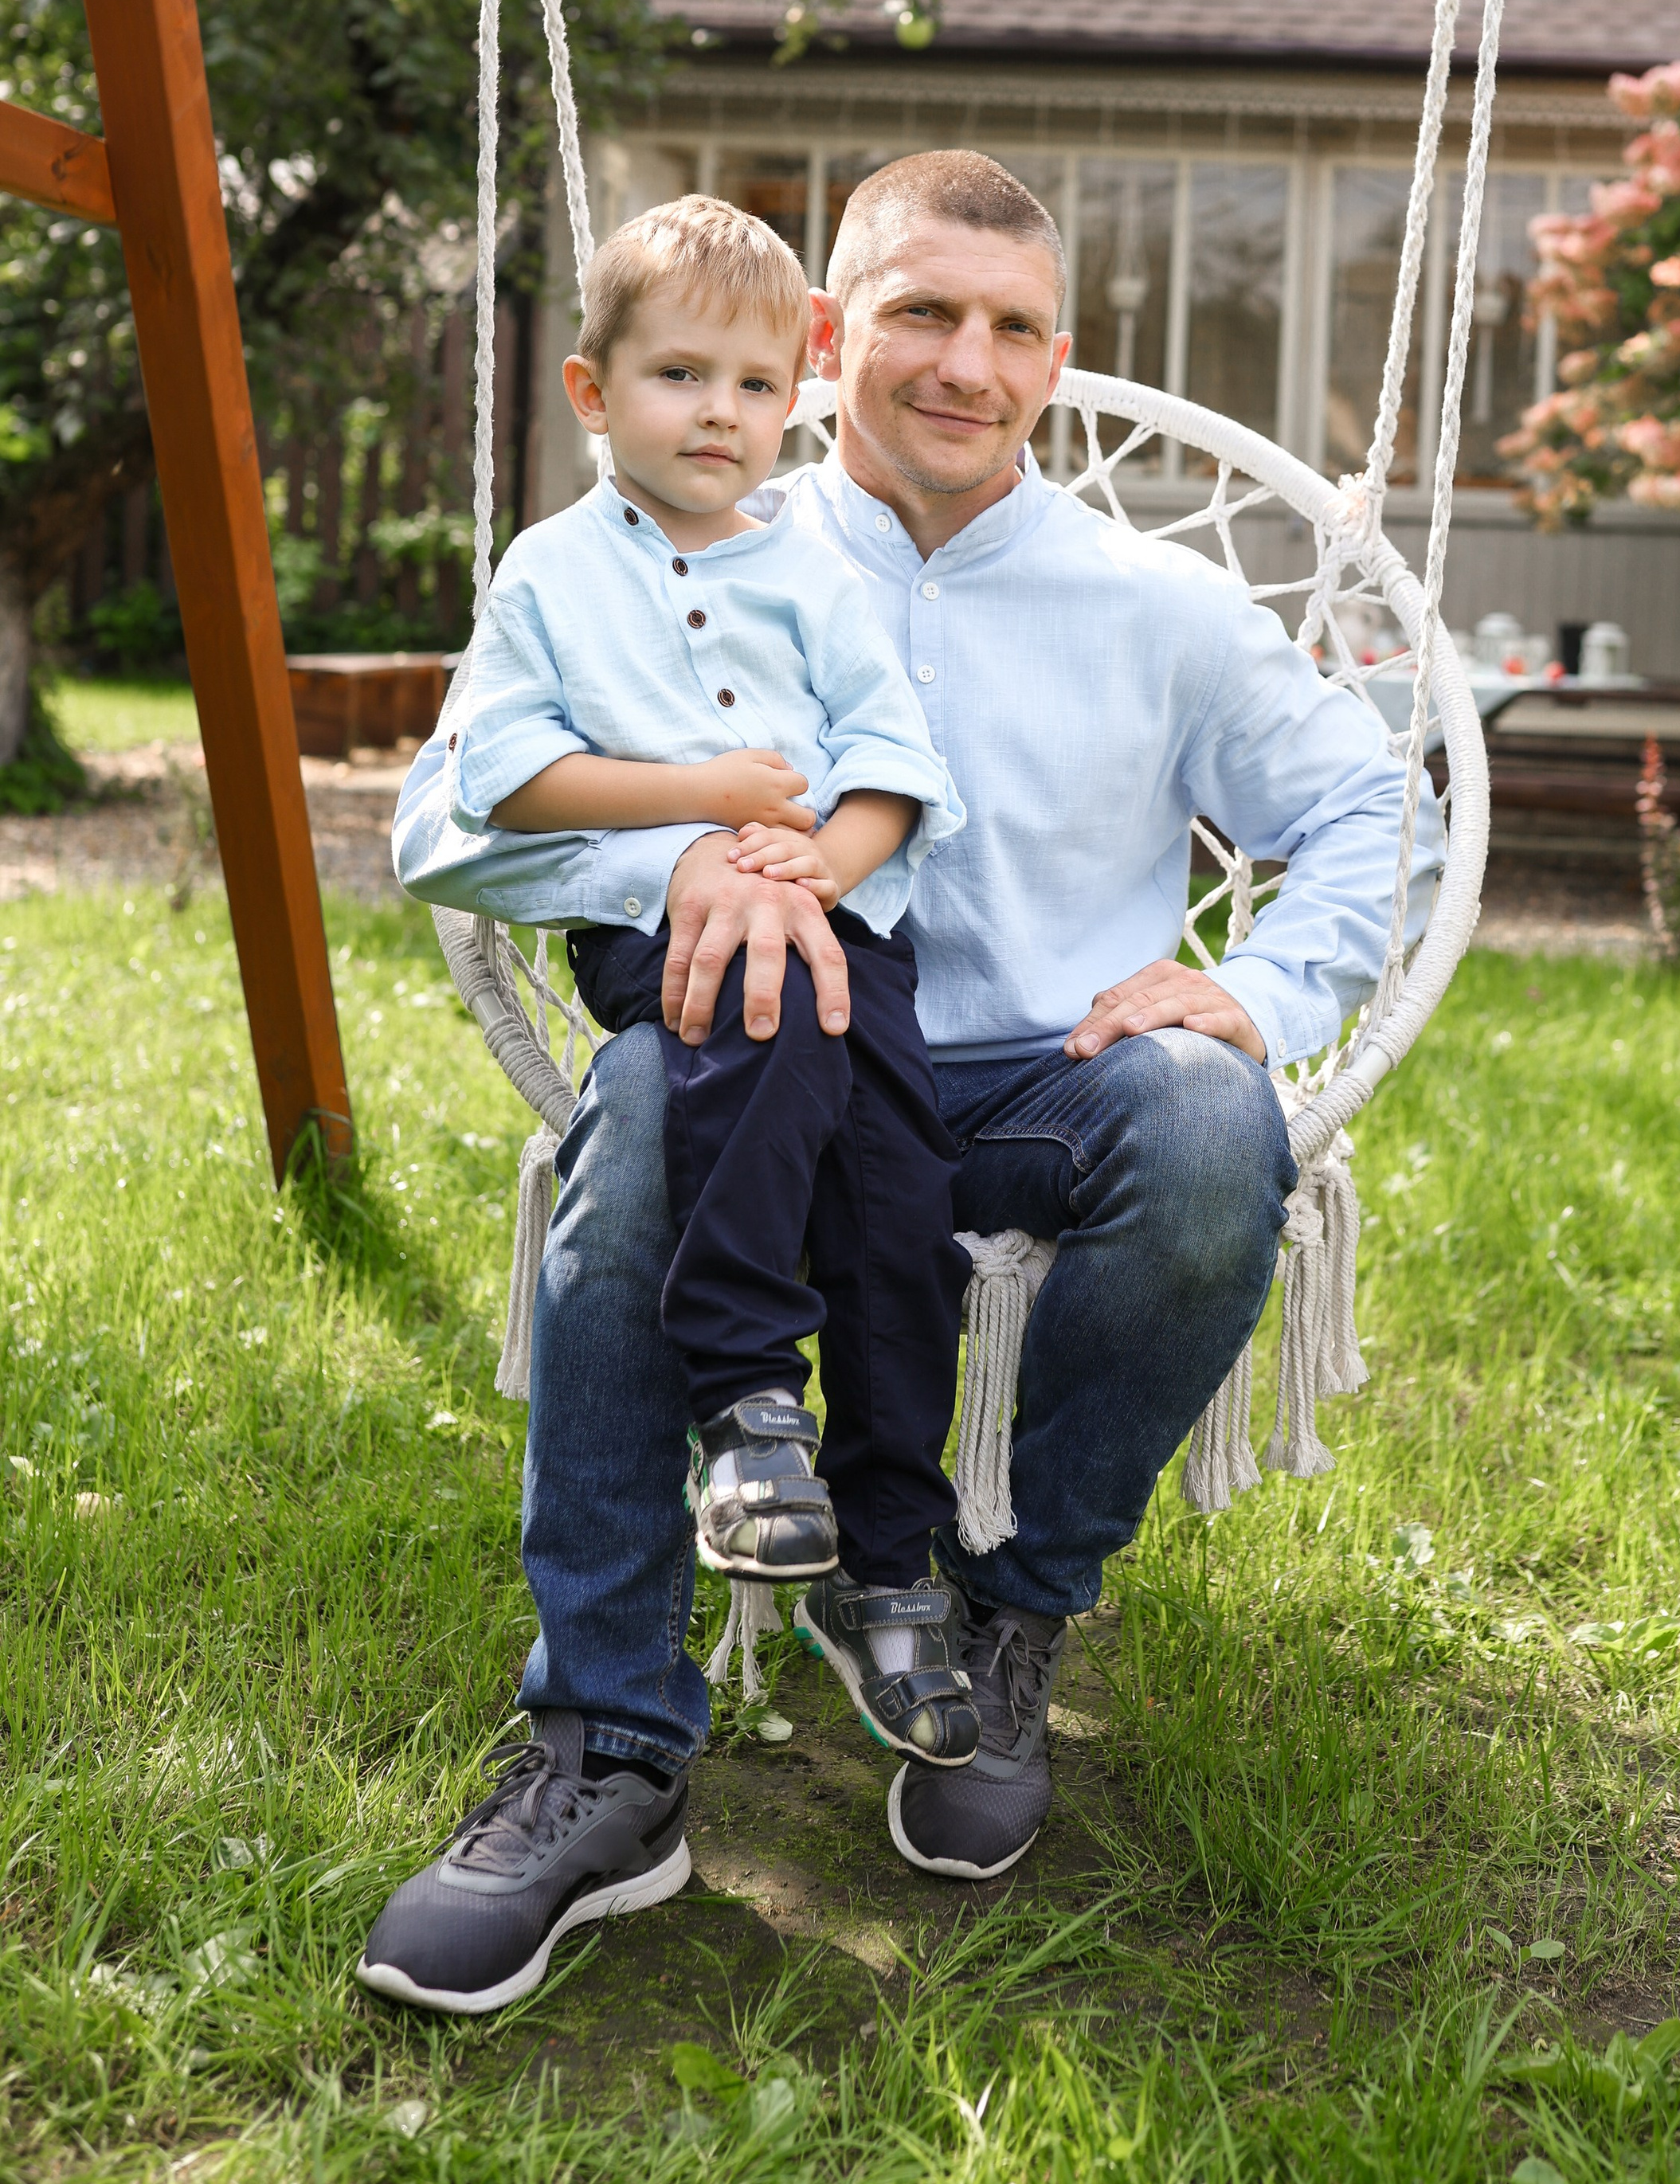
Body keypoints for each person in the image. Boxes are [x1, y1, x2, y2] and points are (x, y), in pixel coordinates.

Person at [366, 148, 1443, 2012]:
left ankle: (1000, 1611)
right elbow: (439, 814)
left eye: (1012, 328)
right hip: (757, 1070)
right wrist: (676, 862)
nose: (967, 362)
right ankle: (608, 1752)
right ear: (824, 334)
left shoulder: (1152, 604)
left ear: (1055, 360)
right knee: (643, 1111)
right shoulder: (681, 546)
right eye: (921, 312)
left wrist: (1262, 990)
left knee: (1210, 1122)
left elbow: (1373, 803)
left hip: (1041, 1082)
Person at [357, 194, 979, 2015]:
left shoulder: (819, 572)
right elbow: (498, 780)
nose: (720, 412)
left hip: (842, 934)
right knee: (750, 1050)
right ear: (591, 390)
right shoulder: (553, 573)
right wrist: (706, 805)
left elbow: (893, 767)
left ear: (798, 397)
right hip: (673, 950)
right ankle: (740, 1402)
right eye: (678, 376)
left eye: (755, 385)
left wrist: (811, 868)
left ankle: (885, 1553)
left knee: (901, 1209)